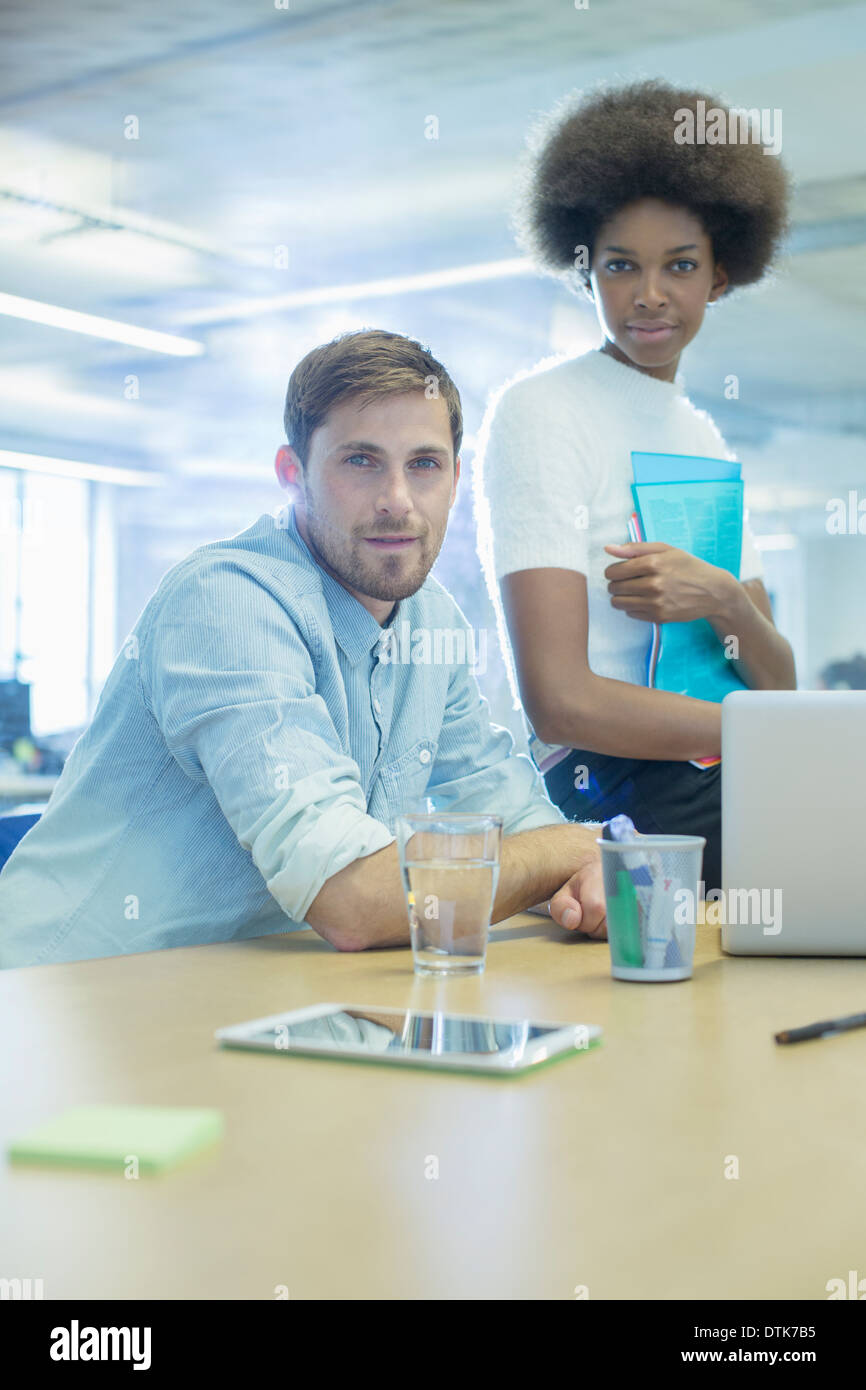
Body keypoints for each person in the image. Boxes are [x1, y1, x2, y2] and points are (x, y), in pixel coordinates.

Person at [0, 329, 605, 968]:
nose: (396, 501)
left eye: (423, 464)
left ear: (455, 479)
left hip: (240, 992)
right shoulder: (226, 601)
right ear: (294, 475)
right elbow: (350, 899)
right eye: (360, 460)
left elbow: (515, 820)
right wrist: (571, 851)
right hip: (56, 1003)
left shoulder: (431, 623)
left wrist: (575, 872)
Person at [475, 80, 798, 892]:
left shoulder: (703, 436)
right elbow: (560, 703)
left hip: (733, 782)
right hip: (614, 791)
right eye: (621, 266)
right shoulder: (541, 410)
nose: (650, 294)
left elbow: (777, 676)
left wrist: (724, 598)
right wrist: (767, 730)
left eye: (679, 266)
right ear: (583, 270)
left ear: (721, 276)